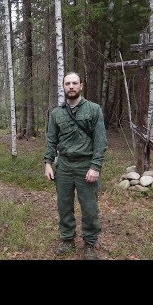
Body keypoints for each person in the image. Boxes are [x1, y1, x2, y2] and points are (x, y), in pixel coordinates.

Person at [44, 72, 107, 259]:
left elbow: (100, 140)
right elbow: (51, 140)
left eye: (74, 83)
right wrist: (48, 163)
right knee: (64, 205)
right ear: (63, 87)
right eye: (67, 83)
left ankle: (89, 244)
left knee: (89, 207)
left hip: (85, 166)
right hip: (63, 166)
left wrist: (95, 167)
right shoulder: (56, 113)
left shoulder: (94, 110)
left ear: (81, 86)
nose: (71, 86)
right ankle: (67, 240)